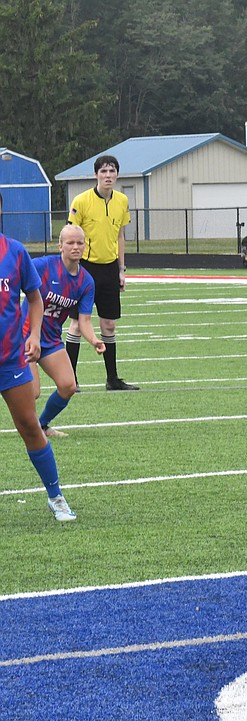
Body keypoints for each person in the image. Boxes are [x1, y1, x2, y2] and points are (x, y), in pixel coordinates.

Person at [0, 192, 78, 521]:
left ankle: (56, 496)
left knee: (30, 426)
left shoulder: (15, 252)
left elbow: (35, 299)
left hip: (10, 360)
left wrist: (33, 335)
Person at [65, 154, 137, 391]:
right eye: (104, 171)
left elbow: (120, 237)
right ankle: (71, 379)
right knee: (76, 323)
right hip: (84, 268)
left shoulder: (122, 201)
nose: (108, 175)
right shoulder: (82, 201)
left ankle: (112, 379)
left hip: (109, 268)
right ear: (96, 174)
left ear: (117, 174)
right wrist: (70, 270)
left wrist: (121, 270)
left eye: (112, 171)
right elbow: (70, 234)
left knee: (108, 325)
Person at [25, 225, 105, 437]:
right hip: (26, 335)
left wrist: (94, 340)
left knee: (68, 386)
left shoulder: (86, 281)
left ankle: (41, 425)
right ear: (60, 246)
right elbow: (14, 277)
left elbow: (84, 321)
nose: (75, 247)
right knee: (32, 392)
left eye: (80, 242)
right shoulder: (42, 266)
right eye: (70, 242)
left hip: (50, 339)